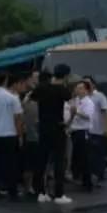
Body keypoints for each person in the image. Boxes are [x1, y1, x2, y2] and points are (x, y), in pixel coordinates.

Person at [32, 64, 72, 204]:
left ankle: (41, 192)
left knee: (42, 160)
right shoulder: (63, 90)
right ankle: (59, 194)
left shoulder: (41, 88)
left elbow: (29, 100)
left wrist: (38, 120)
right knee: (59, 161)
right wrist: (68, 122)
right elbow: (72, 107)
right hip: (58, 127)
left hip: (43, 128)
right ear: (66, 76)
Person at [67, 81, 95, 193]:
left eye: (80, 88)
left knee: (84, 157)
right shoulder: (76, 101)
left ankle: (88, 183)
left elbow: (88, 116)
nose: (77, 90)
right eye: (77, 88)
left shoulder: (88, 102)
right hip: (74, 131)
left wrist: (76, 112)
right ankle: (79, 179)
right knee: (76, 157)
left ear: (86, 90)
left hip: (83, 132)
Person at [84, 76, 107, 187]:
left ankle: (99, 175)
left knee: (98, 154)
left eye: (88, 83)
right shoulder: (82, 97)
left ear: (93, 84)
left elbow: (106, 112)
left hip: (98, 130)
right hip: (85, 129)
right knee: (87, 154)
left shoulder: (100, 96)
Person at [21, 71, 41, 195]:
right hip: (36, 138)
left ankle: (28, 187)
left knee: (28, 165)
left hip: (27, 137)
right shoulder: (36, 106)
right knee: (36, 165)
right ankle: (35, 187)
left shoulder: (25, 103)